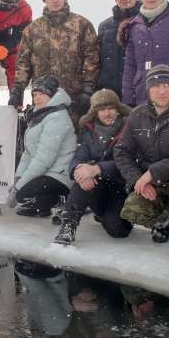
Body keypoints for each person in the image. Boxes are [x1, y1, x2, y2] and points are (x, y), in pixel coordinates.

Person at [114, 64, 169, 246]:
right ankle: (165, 219)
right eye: (156, 86)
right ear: (148, 89)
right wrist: (136, 179)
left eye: (167, 85)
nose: (162, 91)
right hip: (155, 183)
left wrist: (153, 172)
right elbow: (122, 151)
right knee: (132, 210)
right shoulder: (137, 115)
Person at [11, 0, 99, 121]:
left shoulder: (82, 25)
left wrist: (88, 89)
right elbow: (23, 63)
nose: (55, 0)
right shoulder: (33, 29)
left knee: (73, 139)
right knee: (44, 139)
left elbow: (92, 59)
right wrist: (18, 90)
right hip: (43, 99)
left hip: (74, 99)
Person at [53, 89, 132, 245]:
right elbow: (79, 156)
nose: (107, 113)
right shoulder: (88, 130)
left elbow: (130, 161)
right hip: (97, 183)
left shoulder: (129, 128)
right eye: (102, 109)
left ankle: (106, 215)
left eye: (111, 108)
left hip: (121, 185)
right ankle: (69, 224)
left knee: (118, 231)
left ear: (118, 109)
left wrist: (98, 169)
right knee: (82, 174)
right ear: (95, 112)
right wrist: (77, 170)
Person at [6, 76, 76, 217]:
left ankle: (63, 198)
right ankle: (43, 205)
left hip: (60, 175)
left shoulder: (57, 117)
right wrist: (19, 177)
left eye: (42, 94)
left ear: (52, 95)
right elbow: (28, 153)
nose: (37, 98)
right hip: (46, 172)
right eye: (34, 94)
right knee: (23, 191)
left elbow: (43, 159)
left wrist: (18, 187)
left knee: (22, 195)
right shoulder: (41, 114)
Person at [96, 0, 141, 98]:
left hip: (139, 91)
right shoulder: (104, 26)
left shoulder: (146, 21)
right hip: (110, 94)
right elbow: (97, 60)